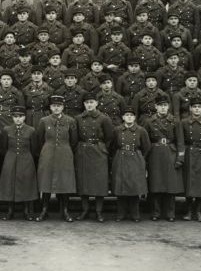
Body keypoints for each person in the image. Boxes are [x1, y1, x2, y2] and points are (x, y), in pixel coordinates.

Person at [35, 95, 78, 222]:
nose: (56, 108)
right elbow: (39, 138)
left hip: (64, 153)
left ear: (63, 107)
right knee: (46, 181)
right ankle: (44, 210)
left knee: (65, 181)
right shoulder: (44, 121)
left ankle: (65, 210)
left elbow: (74, 141)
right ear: (50, 107)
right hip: (48, 153)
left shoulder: (70, 121)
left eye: (59, 106)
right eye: (54, 106)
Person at [74, 93, 114, 222]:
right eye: (87, 103)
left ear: (97, 103)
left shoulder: (103, 118)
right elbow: (75, 137)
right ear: (84, 104)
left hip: (98, 151)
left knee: (99, 182)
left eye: (92, 102)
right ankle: (84, 210)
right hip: (83, 151)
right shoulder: (78, 118)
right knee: (83, 181)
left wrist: (102, 148)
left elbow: (109, 137)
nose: (89, 105)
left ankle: (98, 211)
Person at [176, 98, 201, 222]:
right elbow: (181, 142)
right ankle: (188, 211)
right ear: (190, 109)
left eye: (199, 107)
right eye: (194, 107)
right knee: (189, 183)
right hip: (189, 154)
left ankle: (198, 211)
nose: (197, 109)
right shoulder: (183, 123)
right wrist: (181, 158)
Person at [144, 96, 183, 222]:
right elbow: (145, 141)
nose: (163, 108)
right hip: (155, 153)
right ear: (156, 107)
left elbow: (180, 141)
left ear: (169, 107)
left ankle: (170, 213)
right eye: (160, 105)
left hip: (170, 153)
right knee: (156, 184)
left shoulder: (175, 121)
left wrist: (180, 158)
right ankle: (156, 212)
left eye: (165, 105)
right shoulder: (149, 121)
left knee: (170, 185)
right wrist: (146, 158)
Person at [0, 105, 39, 221]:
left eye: (20, 116)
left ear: (24, 117)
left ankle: (26, 212)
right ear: (12, 117)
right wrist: (9, 158)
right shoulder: (7, 130)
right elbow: (2, 148)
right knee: (10, 185)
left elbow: (35, 149)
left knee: (26, 184)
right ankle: (10, 211)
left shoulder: (31, 130)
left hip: (26, 160)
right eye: (15, 116)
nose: (18, 119)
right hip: (10, 159)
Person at [111, 107, 151, 222]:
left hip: (136, 159)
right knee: (121, 187)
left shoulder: (141, 130)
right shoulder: (117, 130)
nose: (129, 117)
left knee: (134, 187)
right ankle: (121, 214)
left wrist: (140, 159)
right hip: (120, 158)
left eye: (131, 115)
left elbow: (147, 147)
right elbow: (113, 146)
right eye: (126, 115)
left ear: (135, 117)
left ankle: (135, 214)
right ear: (123, 117)